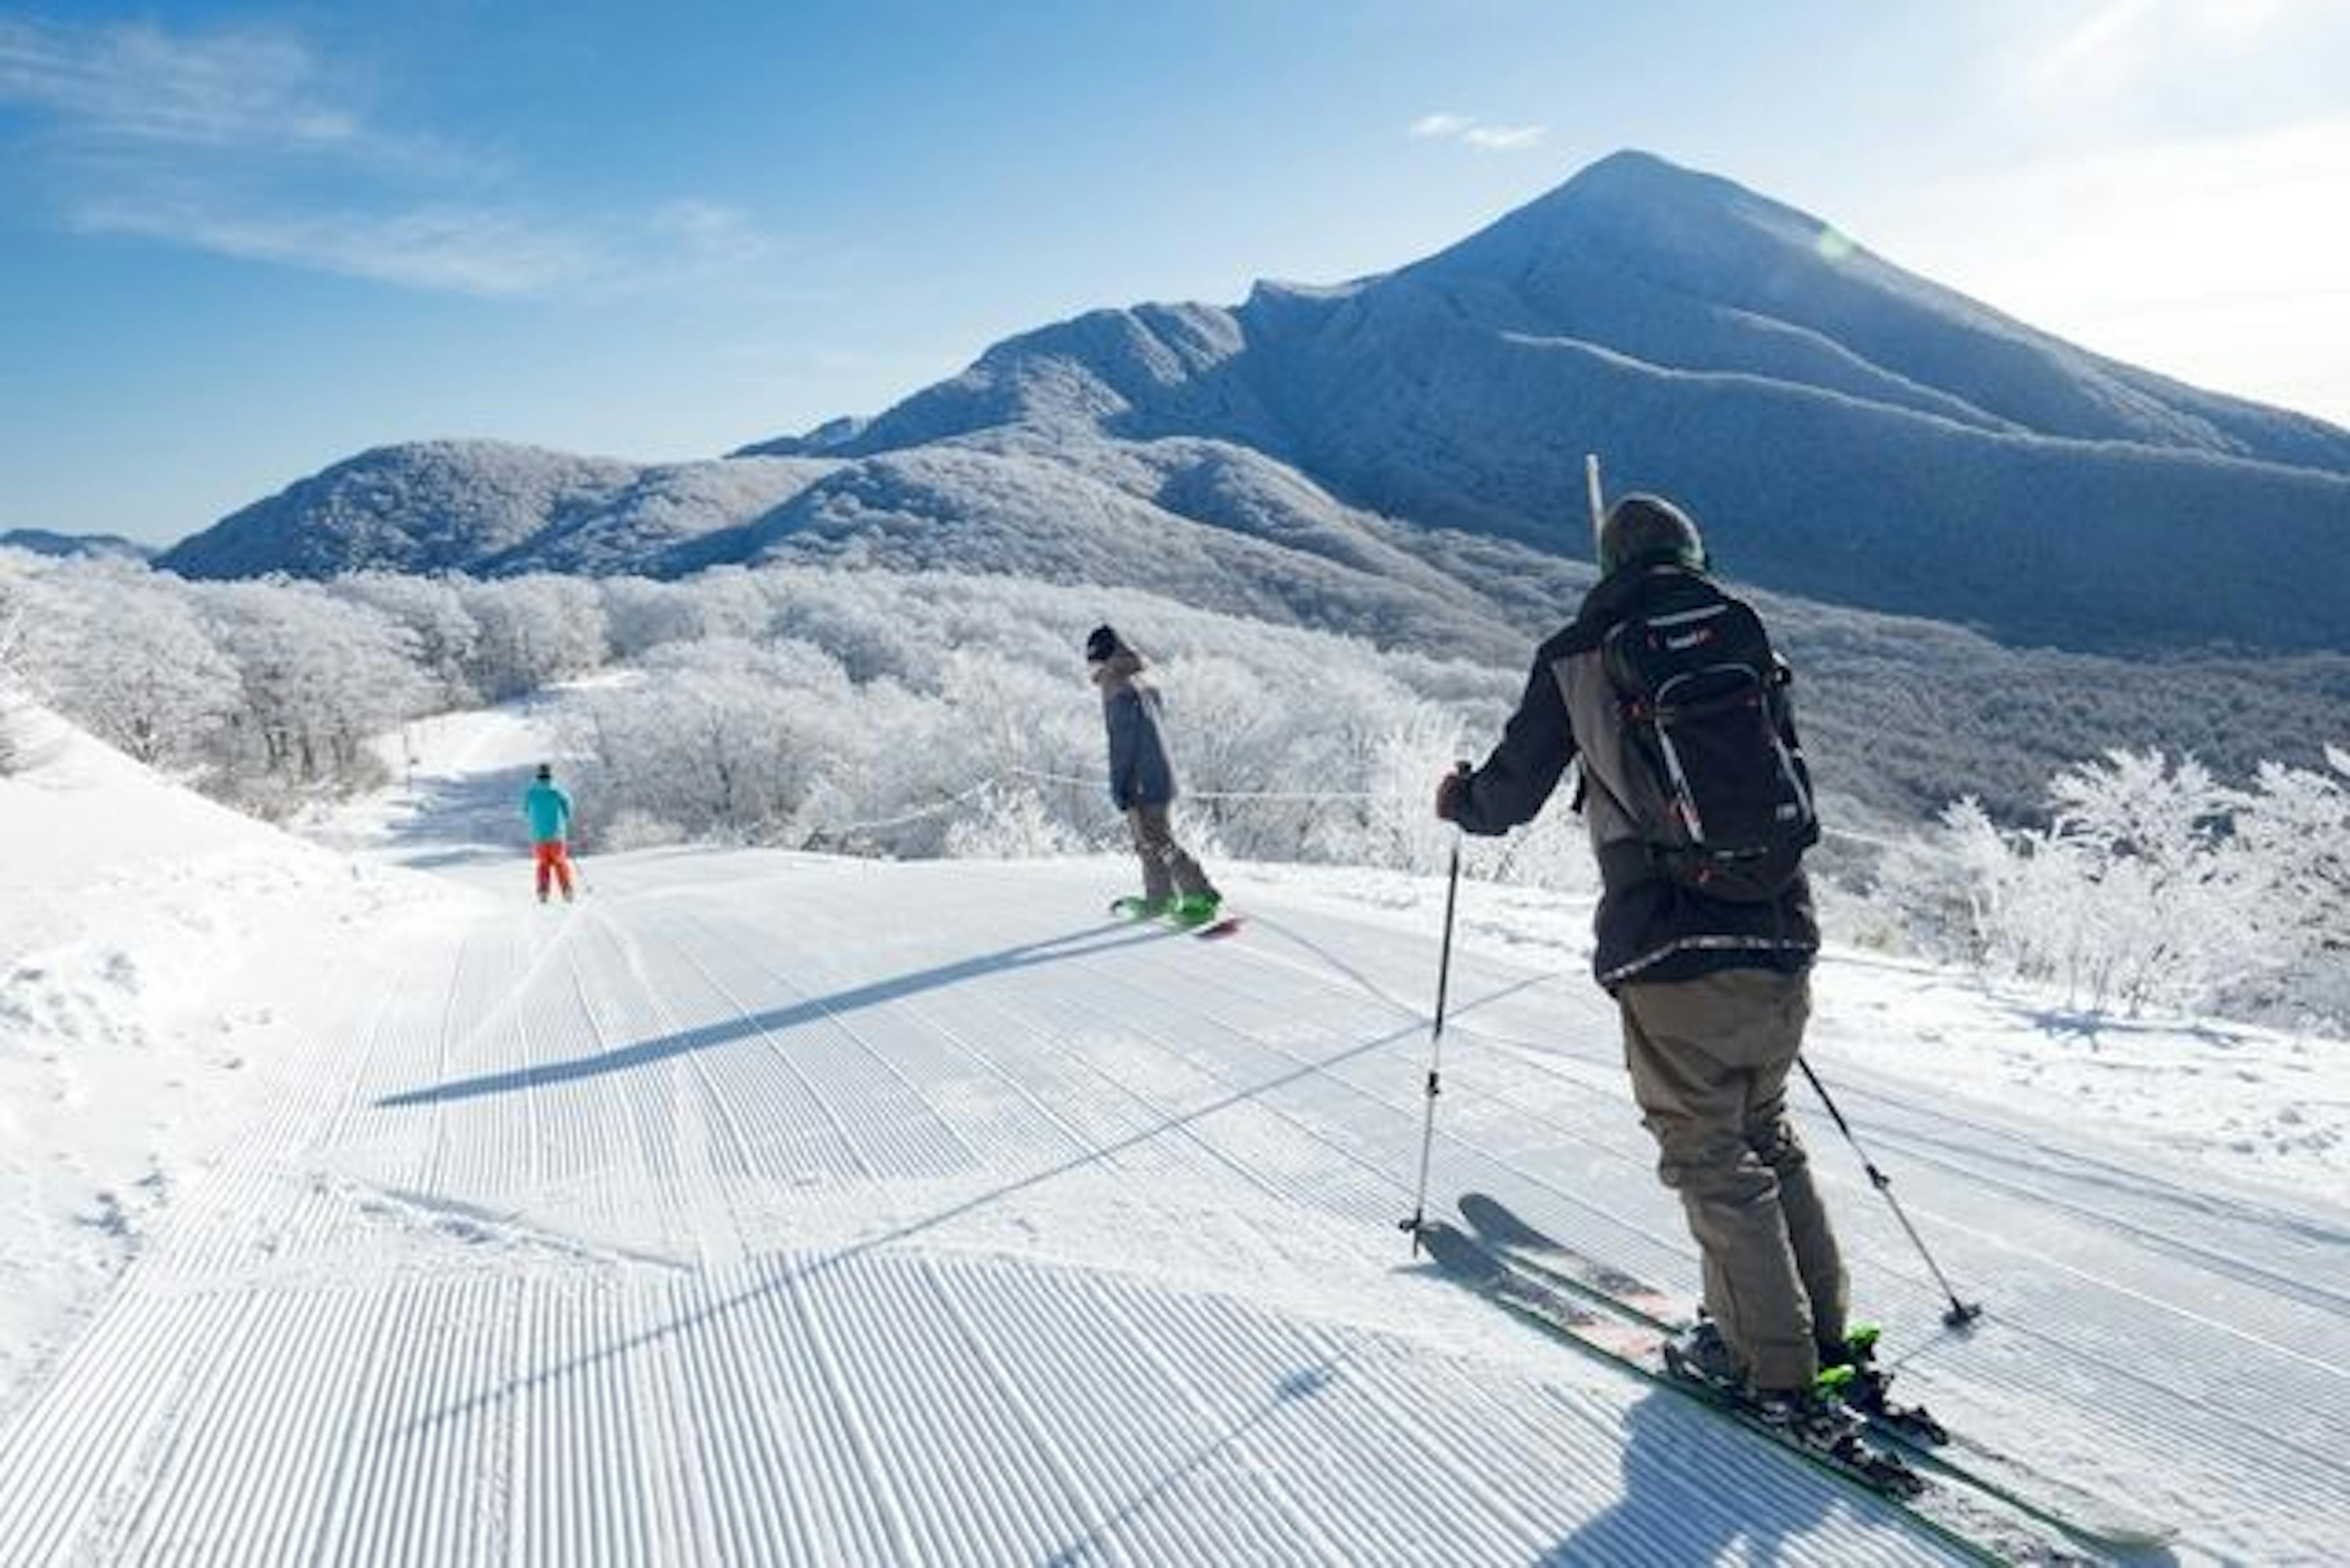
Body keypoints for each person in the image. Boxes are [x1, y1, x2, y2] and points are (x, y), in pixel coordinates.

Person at [1435, 493, 1848, 1415]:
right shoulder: (1741, 634)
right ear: (1690, 553)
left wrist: (1458, 797)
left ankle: (1768, 1367)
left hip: (1668, 941)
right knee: (1766, 1134)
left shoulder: (1579, 656)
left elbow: (1505, 797)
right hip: (1781, 931)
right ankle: (1817, 1332)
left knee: (1708, 1154)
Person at [1085, 624, 1221, 925]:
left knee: (1157, 837)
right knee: (1147, 838)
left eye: (1094, 661)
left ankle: (1201, 893)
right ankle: (1160, 897)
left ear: (1104, 658)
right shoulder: (1138, 676)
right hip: (1156, 770)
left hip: (1141, 775)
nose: (1092, 670)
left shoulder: (1117, 684)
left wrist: (1120, 785)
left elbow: (1123, 742)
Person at [523, 762, 576, 904]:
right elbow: (569, 809)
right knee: (560, 863)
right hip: (557, 835)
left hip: (539, 837)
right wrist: (564, 819)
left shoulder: (531, 793)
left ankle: (543, 891)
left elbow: (526, 811)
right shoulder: (558, 791)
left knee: (543, 864)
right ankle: (567, 890)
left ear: (538, 776)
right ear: (551, 775)